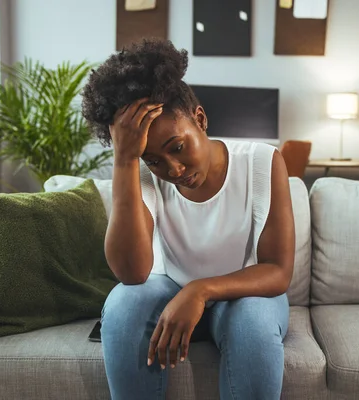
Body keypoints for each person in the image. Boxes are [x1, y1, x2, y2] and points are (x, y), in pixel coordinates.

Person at [81, 38, 296, 400]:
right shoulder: (142, 174)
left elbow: (277, 271)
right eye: (154, 160)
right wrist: (125, 161)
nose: (174, 169)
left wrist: (200, 289)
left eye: (177, 148)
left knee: (254, 323)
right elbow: (131, 273)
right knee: (121, 305)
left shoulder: (262, 162)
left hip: (247, 294)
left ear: (199, 118)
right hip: (168, 288)